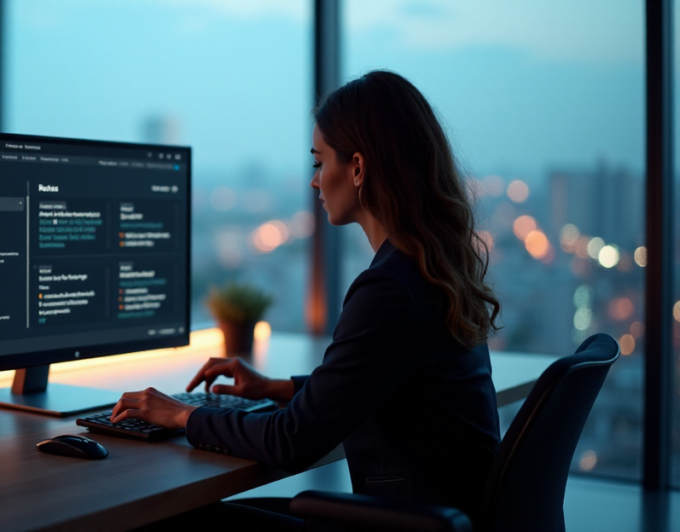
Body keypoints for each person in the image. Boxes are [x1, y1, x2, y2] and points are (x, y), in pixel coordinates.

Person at [111, 70, 502, 529]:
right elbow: (379, 377)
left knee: (177, 519)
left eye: (319, 163)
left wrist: (182, 414)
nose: (315, 182)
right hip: (448, 517)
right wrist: (275, 388)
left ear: (357, 167)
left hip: (411, 523)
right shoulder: (429, 267)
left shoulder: (390, 288)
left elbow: (291, 441)